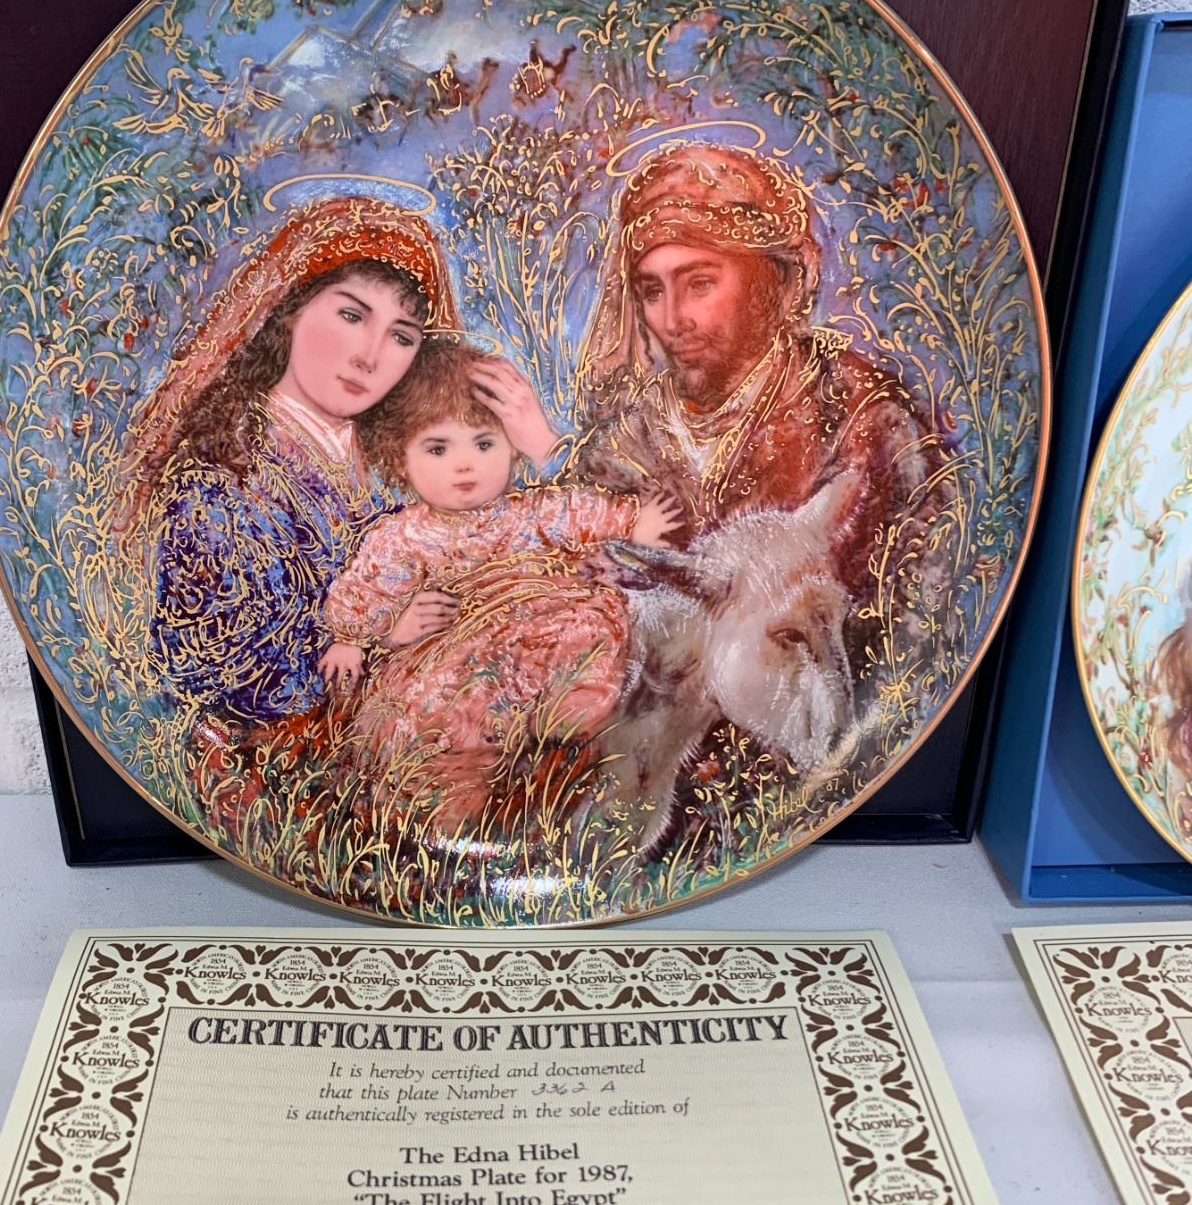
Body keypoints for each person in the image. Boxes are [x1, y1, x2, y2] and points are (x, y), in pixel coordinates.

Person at [114, 195, 557, 818]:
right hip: (279, 776)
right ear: (288, 310)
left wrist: (540, 447)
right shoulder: (219, 477)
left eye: (401, 336)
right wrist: (375, 636)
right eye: (351, 315)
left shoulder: (410, 461)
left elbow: (512, 541)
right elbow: (210, 665)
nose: (370, 356)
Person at [573, 144, 947, 675]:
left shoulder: (862, 421)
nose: (673, 320)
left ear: (778, 282)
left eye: (700, 283)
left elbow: (921, 624)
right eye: (652, 291)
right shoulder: (621, 449)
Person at [320, 340, 683, 829]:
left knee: (588, 625)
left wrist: (633, 521)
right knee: (446, 711)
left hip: (540, 633)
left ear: (511, 448)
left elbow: (578, 512)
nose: (464, 464)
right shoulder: (404, 536)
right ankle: (452, 802)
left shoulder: (527, 512)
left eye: (484, 444)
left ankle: (578, 710)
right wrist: (350, 638)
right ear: (400, 458)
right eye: (438, 448)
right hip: (462, 655)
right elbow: (366, 587)